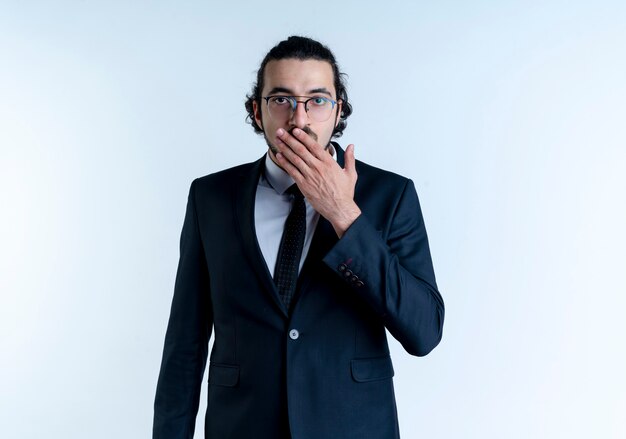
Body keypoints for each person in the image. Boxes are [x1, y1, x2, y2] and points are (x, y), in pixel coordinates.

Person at [153, 35, 444, 439]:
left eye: (317, 100)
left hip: (353, 426)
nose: (299, 119)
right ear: (257, 112)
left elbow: (424, 331)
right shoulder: (211, 197)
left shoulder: (390, 195)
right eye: (281, 100)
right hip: (241, 427)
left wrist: (345, 216)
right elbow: (185, 344)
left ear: (338, 110)